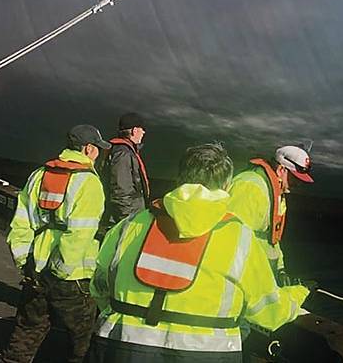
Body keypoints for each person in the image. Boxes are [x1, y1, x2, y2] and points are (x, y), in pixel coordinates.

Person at [88, 143, 311, 363]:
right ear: (226, 185)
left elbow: (99, 286)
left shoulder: (128, 226)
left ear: (180, 178)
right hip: (207, 354)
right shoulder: (239, 237)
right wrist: (299, 294)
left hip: (121, 347)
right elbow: (269, 312)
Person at [1, 125, 109, 363]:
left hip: (35, 271)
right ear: (89, 149)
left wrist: (25, 261)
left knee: (26, 333)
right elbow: (80, 234)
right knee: (82, 343)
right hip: (72, 277)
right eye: (98, 149)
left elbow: (21, 221)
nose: (99, 154)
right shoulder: (89, 183)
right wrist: (59, 270)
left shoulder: (39, 174)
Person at [227, 145, 313, 284]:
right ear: (281, 169)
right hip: (240, 277)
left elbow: (272, 239)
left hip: (259, 276)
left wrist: (280, 270)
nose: (297, 185)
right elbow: (230, 238)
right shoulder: (251, 188)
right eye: (294, 180)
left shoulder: (276, 193)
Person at [101, 112, 150, 232]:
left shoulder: (120, 151)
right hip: (126, 219)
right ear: (134, 130)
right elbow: (120, 191)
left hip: (127, 216)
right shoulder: (123, 153)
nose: (143, 133)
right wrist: (128, 221)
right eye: (142, 129)